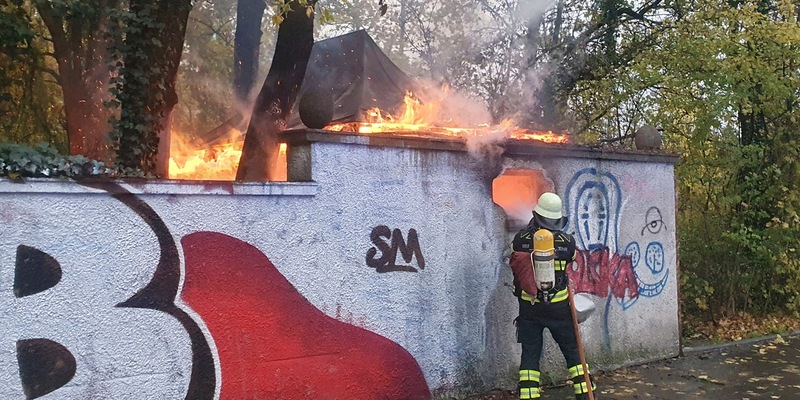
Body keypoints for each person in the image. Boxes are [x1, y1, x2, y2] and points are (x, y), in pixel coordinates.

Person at [508, 192, 595, 400]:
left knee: (530, 354)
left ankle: (529, 396)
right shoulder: (566, 241)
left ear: (537, 215)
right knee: (573, 352)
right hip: (559, 307)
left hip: (530, 308)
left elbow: (513, 253)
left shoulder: (521, 239)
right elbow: (572, 258)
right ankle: (585, 395)